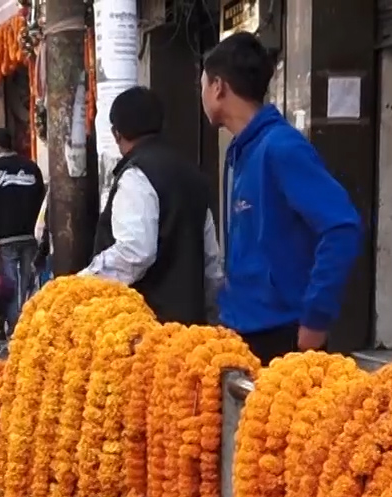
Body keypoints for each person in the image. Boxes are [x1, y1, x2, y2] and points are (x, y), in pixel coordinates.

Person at [200, 31, 361, 365]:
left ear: (218, 87)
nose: (200, 95)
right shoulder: (240, 151)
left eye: (202, 85)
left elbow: (342, 228)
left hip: (282, 336)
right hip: (241, 330)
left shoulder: (282, 148)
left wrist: (316, 318)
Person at [83, 87, 222, 326]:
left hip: (148, 330)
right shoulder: (192, 175)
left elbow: (135, 252)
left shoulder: (136, 174)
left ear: (117, 134)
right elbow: (211, 262)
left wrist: (82, 282)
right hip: (191, 327)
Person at [0, 127, 44, 338]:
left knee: (10, 287)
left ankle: (15, 329)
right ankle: (28, 327)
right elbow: (42, 201)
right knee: (29, 283)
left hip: (4, 238)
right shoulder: (32, 168)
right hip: (31, 236)